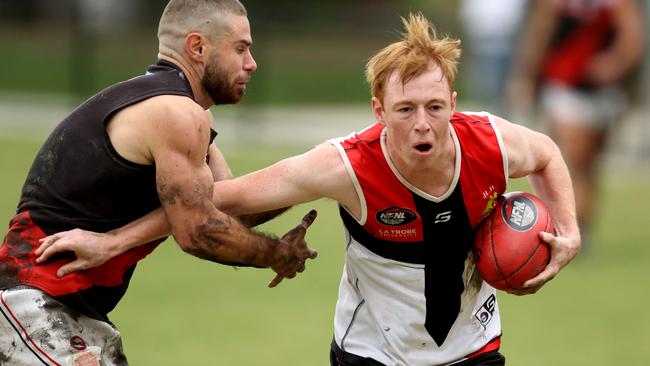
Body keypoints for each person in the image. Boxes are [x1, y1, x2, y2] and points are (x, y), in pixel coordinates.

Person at [34, 13, 581, 366]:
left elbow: (549, 155)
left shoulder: (490, 142)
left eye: (436, 108)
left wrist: (569, 231)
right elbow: (216, 201)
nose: (423, 124)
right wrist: (111, 242)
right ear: (378, 112)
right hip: (371, 355)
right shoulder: (345, 166)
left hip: (474, 348)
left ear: (453, 106)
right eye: (406, 110)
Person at [0, 1, 318, 365]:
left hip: (67, 312)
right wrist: (276, 254)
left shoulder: (180, 109)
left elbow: (230, 206)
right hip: (32, 304)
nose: (251, 63)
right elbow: (200, 232)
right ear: (197, 47)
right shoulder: (176, 113)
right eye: (241, 49)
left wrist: (313, 179)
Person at [507, 0, 645, 244]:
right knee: (573, 158)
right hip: (564, 83)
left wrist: (613, 63)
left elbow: (632, 37)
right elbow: (539, 34)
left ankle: (582, 227)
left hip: (602, 91)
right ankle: (568, 227)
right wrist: (526, 78)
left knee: (589, 165)